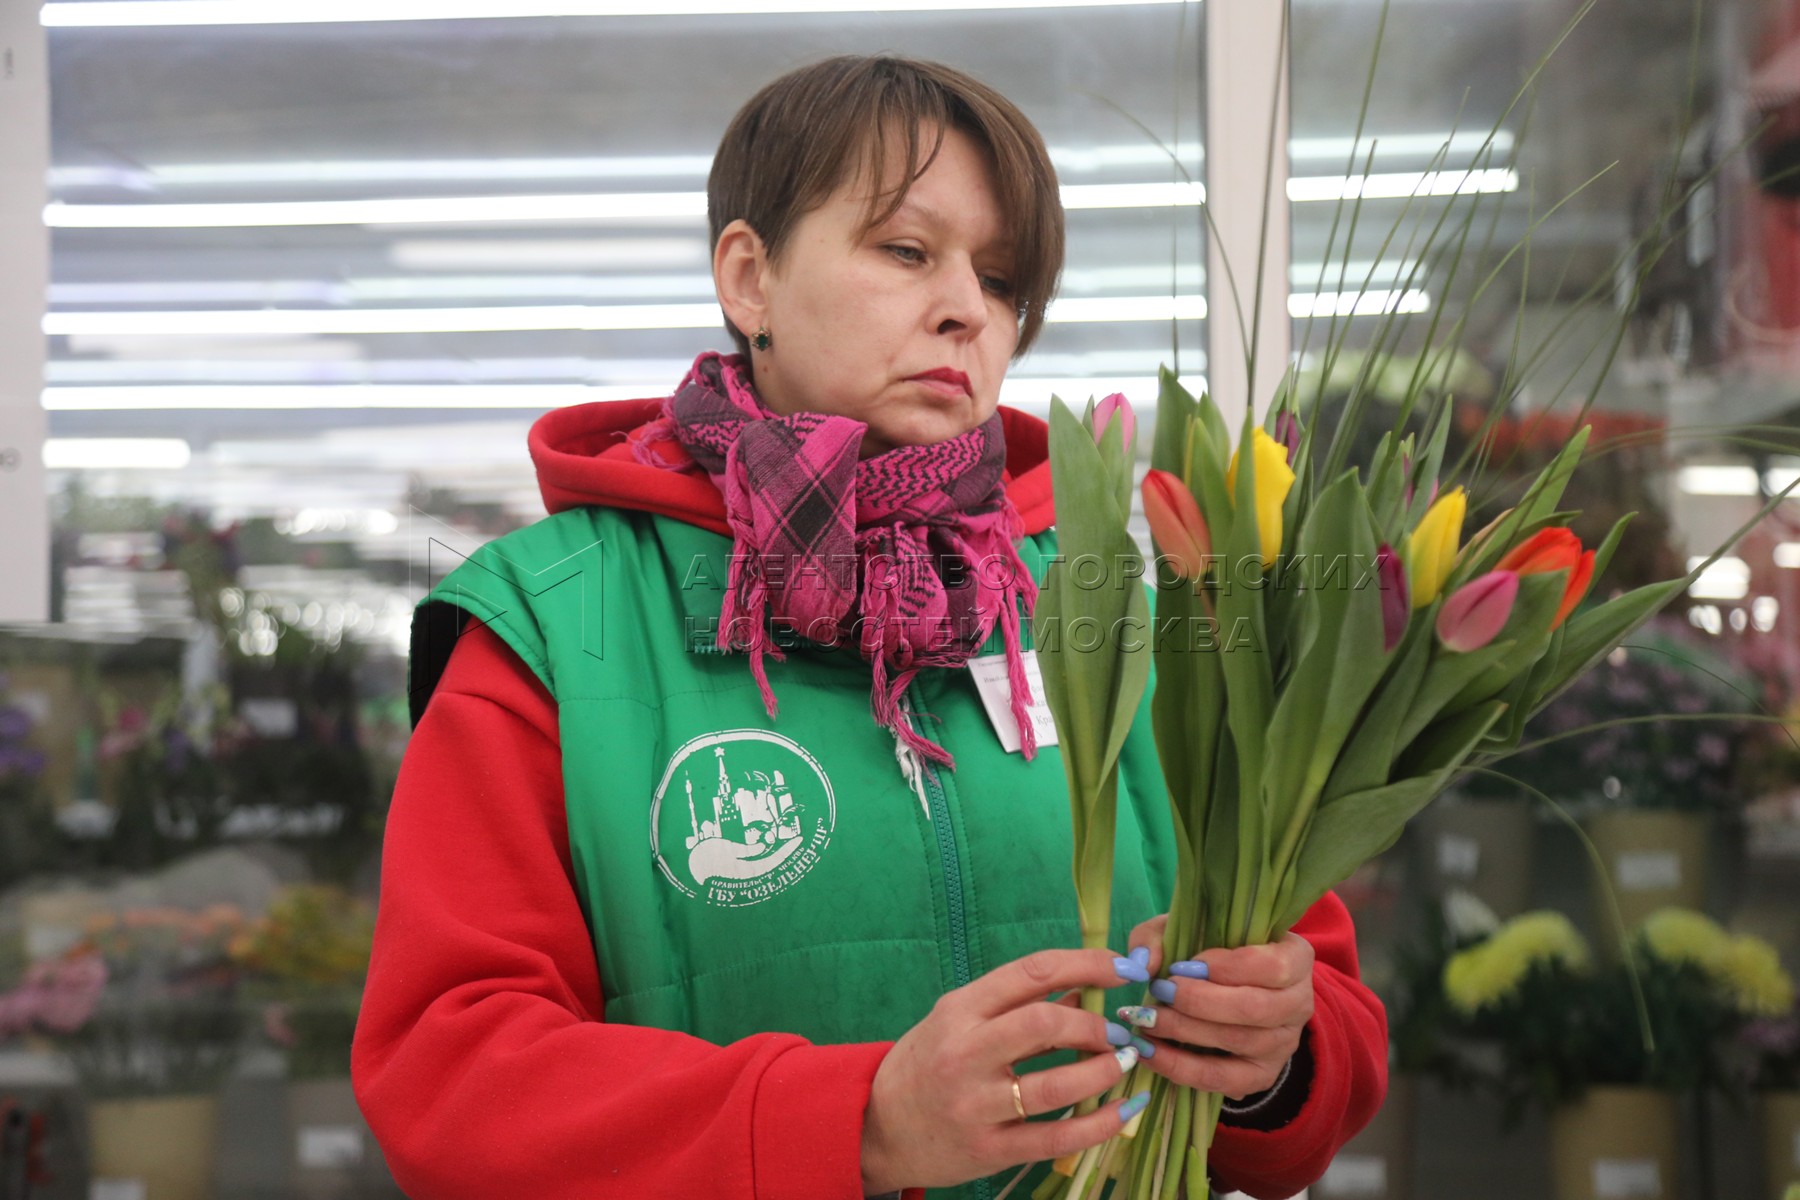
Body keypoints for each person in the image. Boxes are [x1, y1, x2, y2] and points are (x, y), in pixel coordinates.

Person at [352, 54, 1387, 1200]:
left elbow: (1321, 1011)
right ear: (750, 278)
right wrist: (858, 1124)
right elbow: (452, 1076)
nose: (966, 309)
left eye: (1002, 280)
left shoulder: (1103, 607)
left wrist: (1271, 1059)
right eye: (905, 249)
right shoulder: (556, 622)